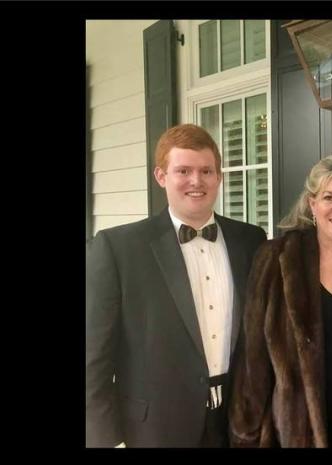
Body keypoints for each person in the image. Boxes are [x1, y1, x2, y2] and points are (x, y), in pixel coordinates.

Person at [86, 124, 267, 447]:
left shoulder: (250, 240)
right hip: (153, 428)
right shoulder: (118, 247)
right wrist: (105, 439)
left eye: (206, 171)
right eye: (183, 170)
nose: (196, 181)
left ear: (219, 177)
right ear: (161, 176)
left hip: (238, 422)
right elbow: (93, 355)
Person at [229, 155, 332, 447]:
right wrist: (246, 434)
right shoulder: (275, 258)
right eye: (328, 197)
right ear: (312, 204)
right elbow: (252, 357)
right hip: (290, 433)